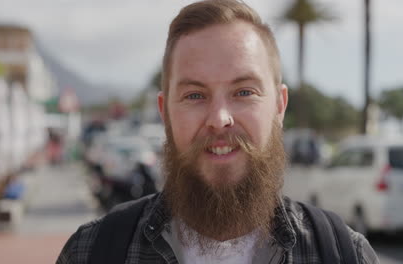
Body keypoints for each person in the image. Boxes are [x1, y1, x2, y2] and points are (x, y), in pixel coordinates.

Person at [57, 0, 379, 263]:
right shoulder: (92, 252)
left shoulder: (344, 254)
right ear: (164, 113)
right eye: (195, 95)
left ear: (279, 107)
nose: (220, 119)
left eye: (244, 92)